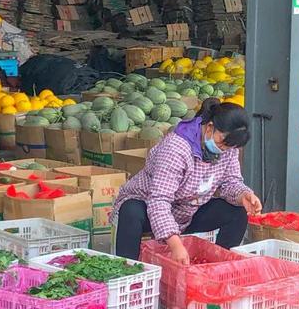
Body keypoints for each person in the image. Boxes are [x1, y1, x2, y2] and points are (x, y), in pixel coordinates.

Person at [112, 98, 262, 263]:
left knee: (236, 212)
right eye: (222, 143)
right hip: (149, 207)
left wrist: (243, 195)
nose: (223, 150)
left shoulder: (227, 150)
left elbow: (231, 182)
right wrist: (176, 245)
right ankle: (128, 270)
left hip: (187, 211)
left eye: (229, 147)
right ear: (210, 127)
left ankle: (219, 267)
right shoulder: (176, 148)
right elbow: (159, 201)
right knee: (131, 210)